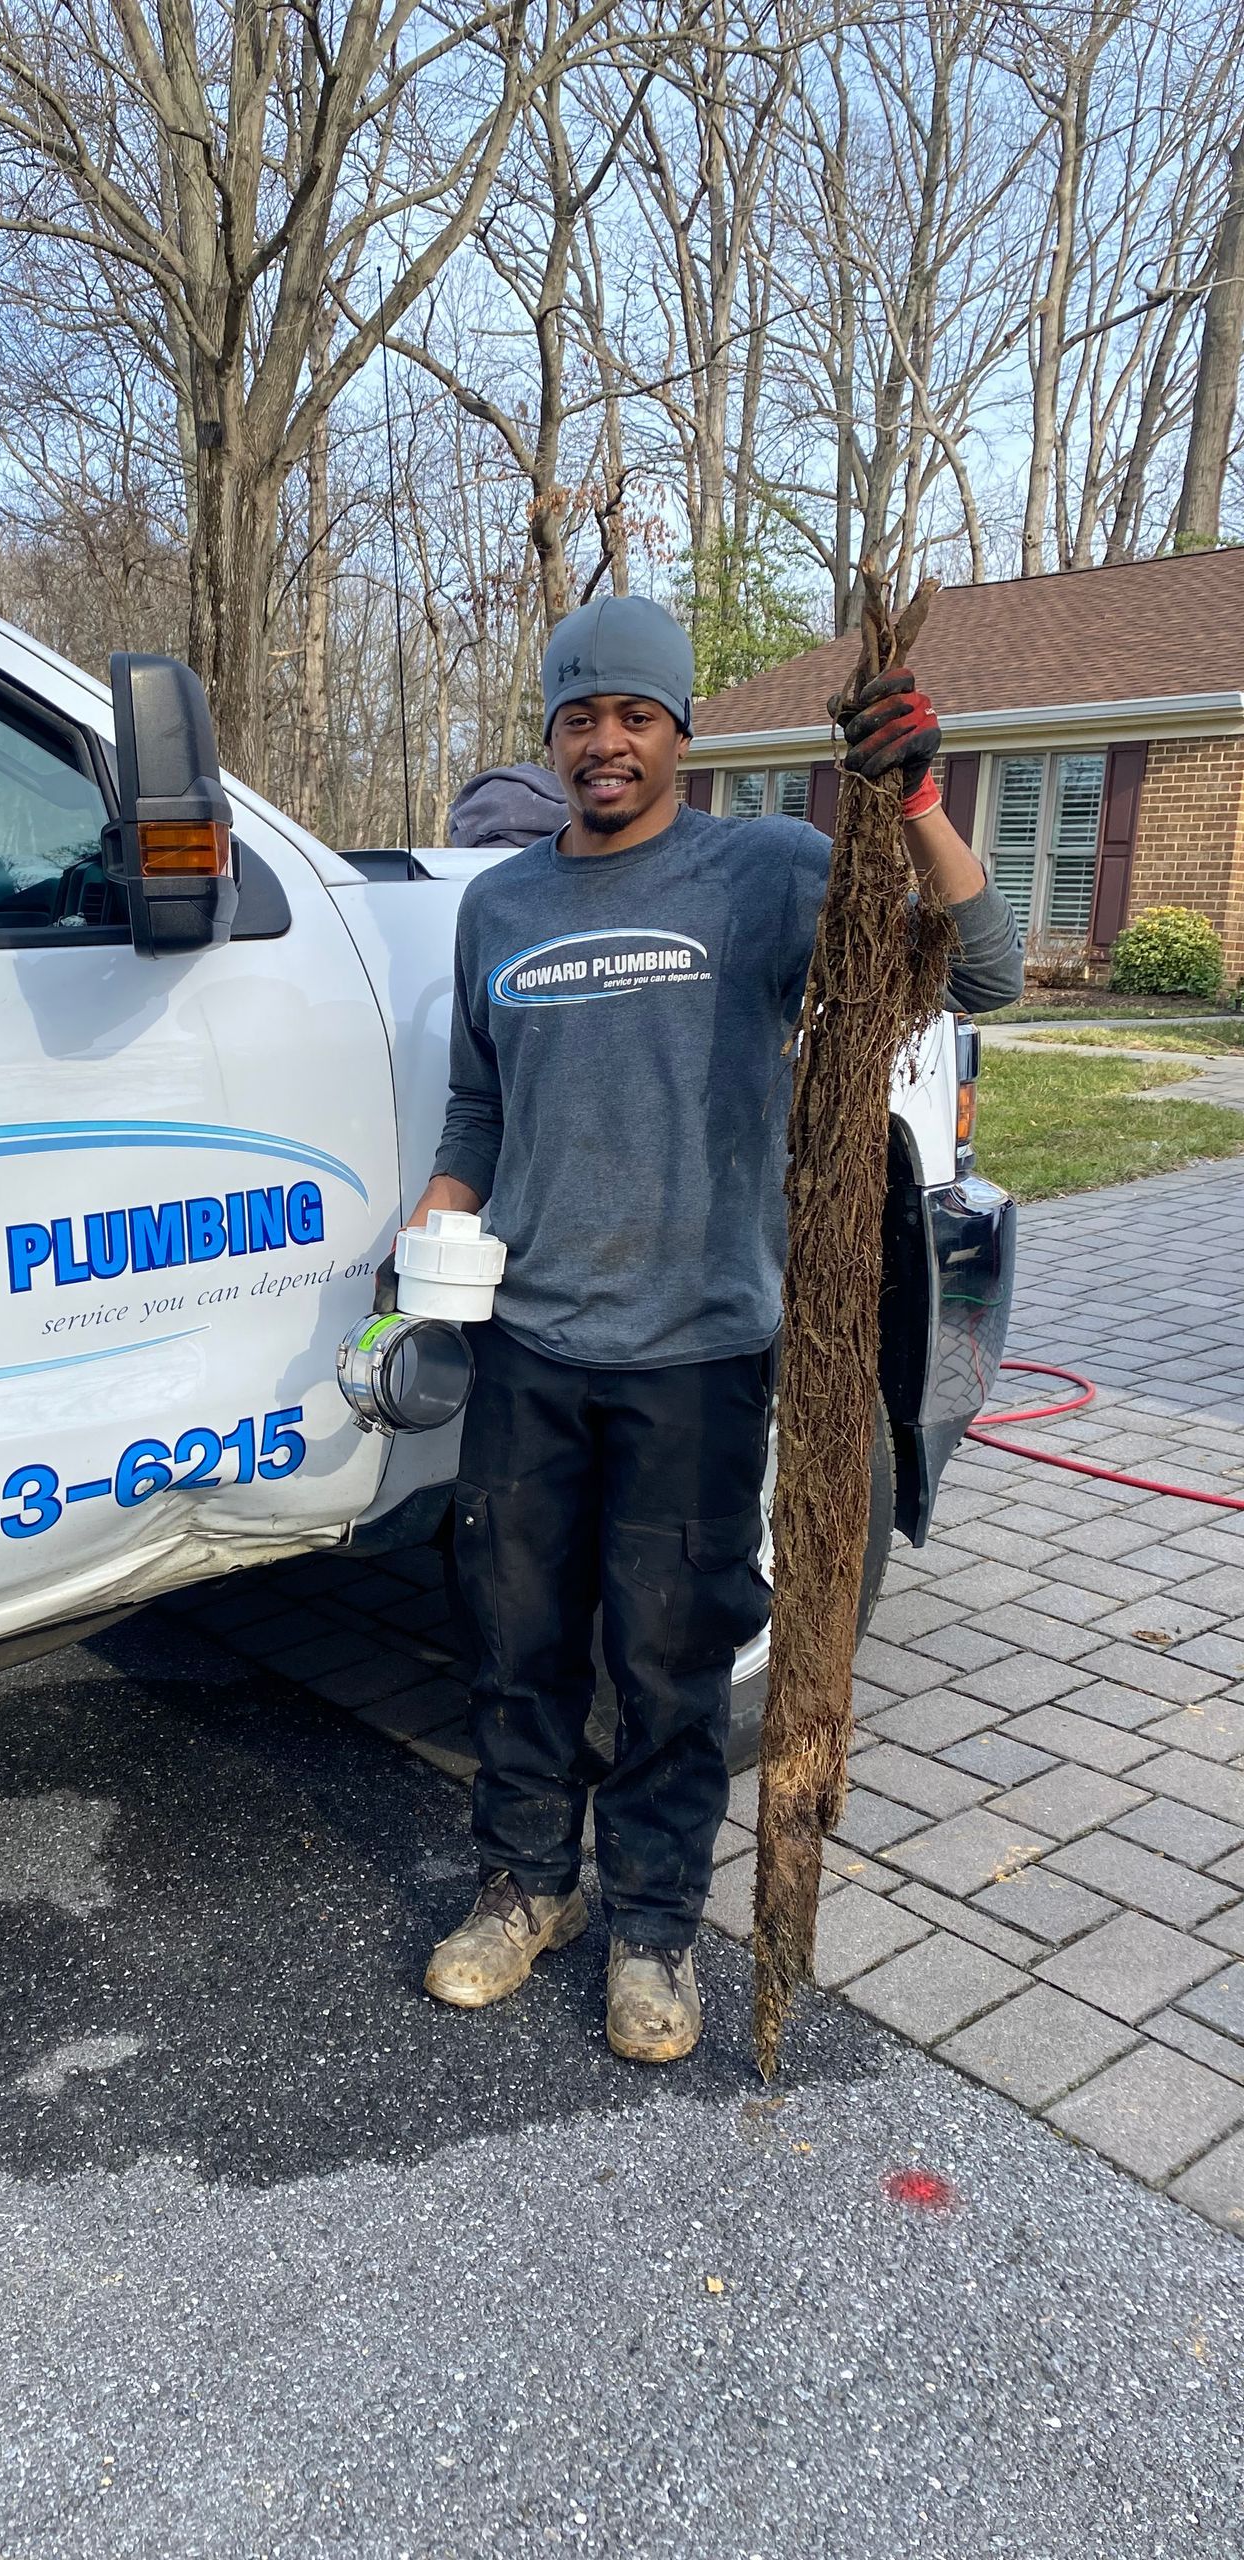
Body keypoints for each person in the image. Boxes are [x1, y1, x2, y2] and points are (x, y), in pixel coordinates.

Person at [410, 594, 1023, 2061]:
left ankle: (654, 1931)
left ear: (681, 729)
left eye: (634, 715)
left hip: (699, 1348)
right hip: (531, 1345)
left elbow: (982, 969)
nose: (605, 742)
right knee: (518, 1642)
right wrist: (433, 1227)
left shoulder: (764, 871)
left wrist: (921, 800)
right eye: (579, 716)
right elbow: (479, 1104)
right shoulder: (501, 904)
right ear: (551, 734)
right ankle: (525, 1890)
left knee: (676, 1665)